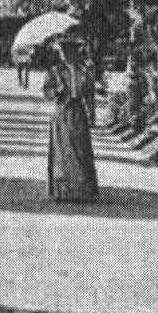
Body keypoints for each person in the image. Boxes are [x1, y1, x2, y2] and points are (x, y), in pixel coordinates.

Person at [43, 34, 98, 202]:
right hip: (62, 112)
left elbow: (89, 93)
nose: (67, 55)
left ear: (76, 52)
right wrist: (56, 91)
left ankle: (82, 190)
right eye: (64, 51)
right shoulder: (55, 71)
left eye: (71, 51)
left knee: (80, 149)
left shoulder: (83, 71)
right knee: (63, 150)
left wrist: (92, 114)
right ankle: (63, 190)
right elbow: (47, 93)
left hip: (78, 111)